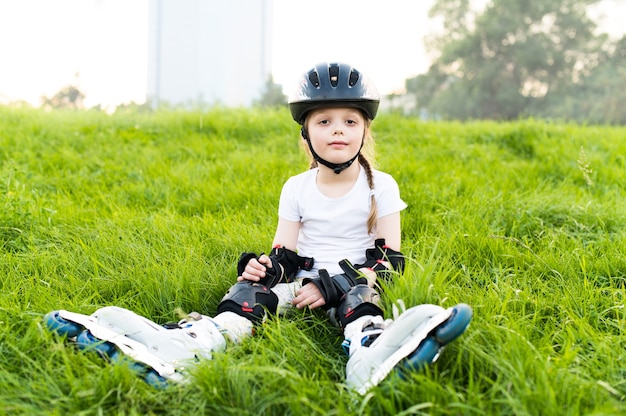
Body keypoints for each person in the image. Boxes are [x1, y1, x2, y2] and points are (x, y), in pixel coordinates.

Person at [45, 62, 471, 394]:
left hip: (354, 279)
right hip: (301, 283)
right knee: (249, 295)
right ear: (306, 132)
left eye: (349, 121)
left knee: (361, 297)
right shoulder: (297, 187)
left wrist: (333, 287)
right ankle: (186, 347)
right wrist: (261, 268)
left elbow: (388, 260)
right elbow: (285, 253)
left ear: (364, 129)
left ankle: (370, 355)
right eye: (324, 121)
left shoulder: (381, 185)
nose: (337, 129)